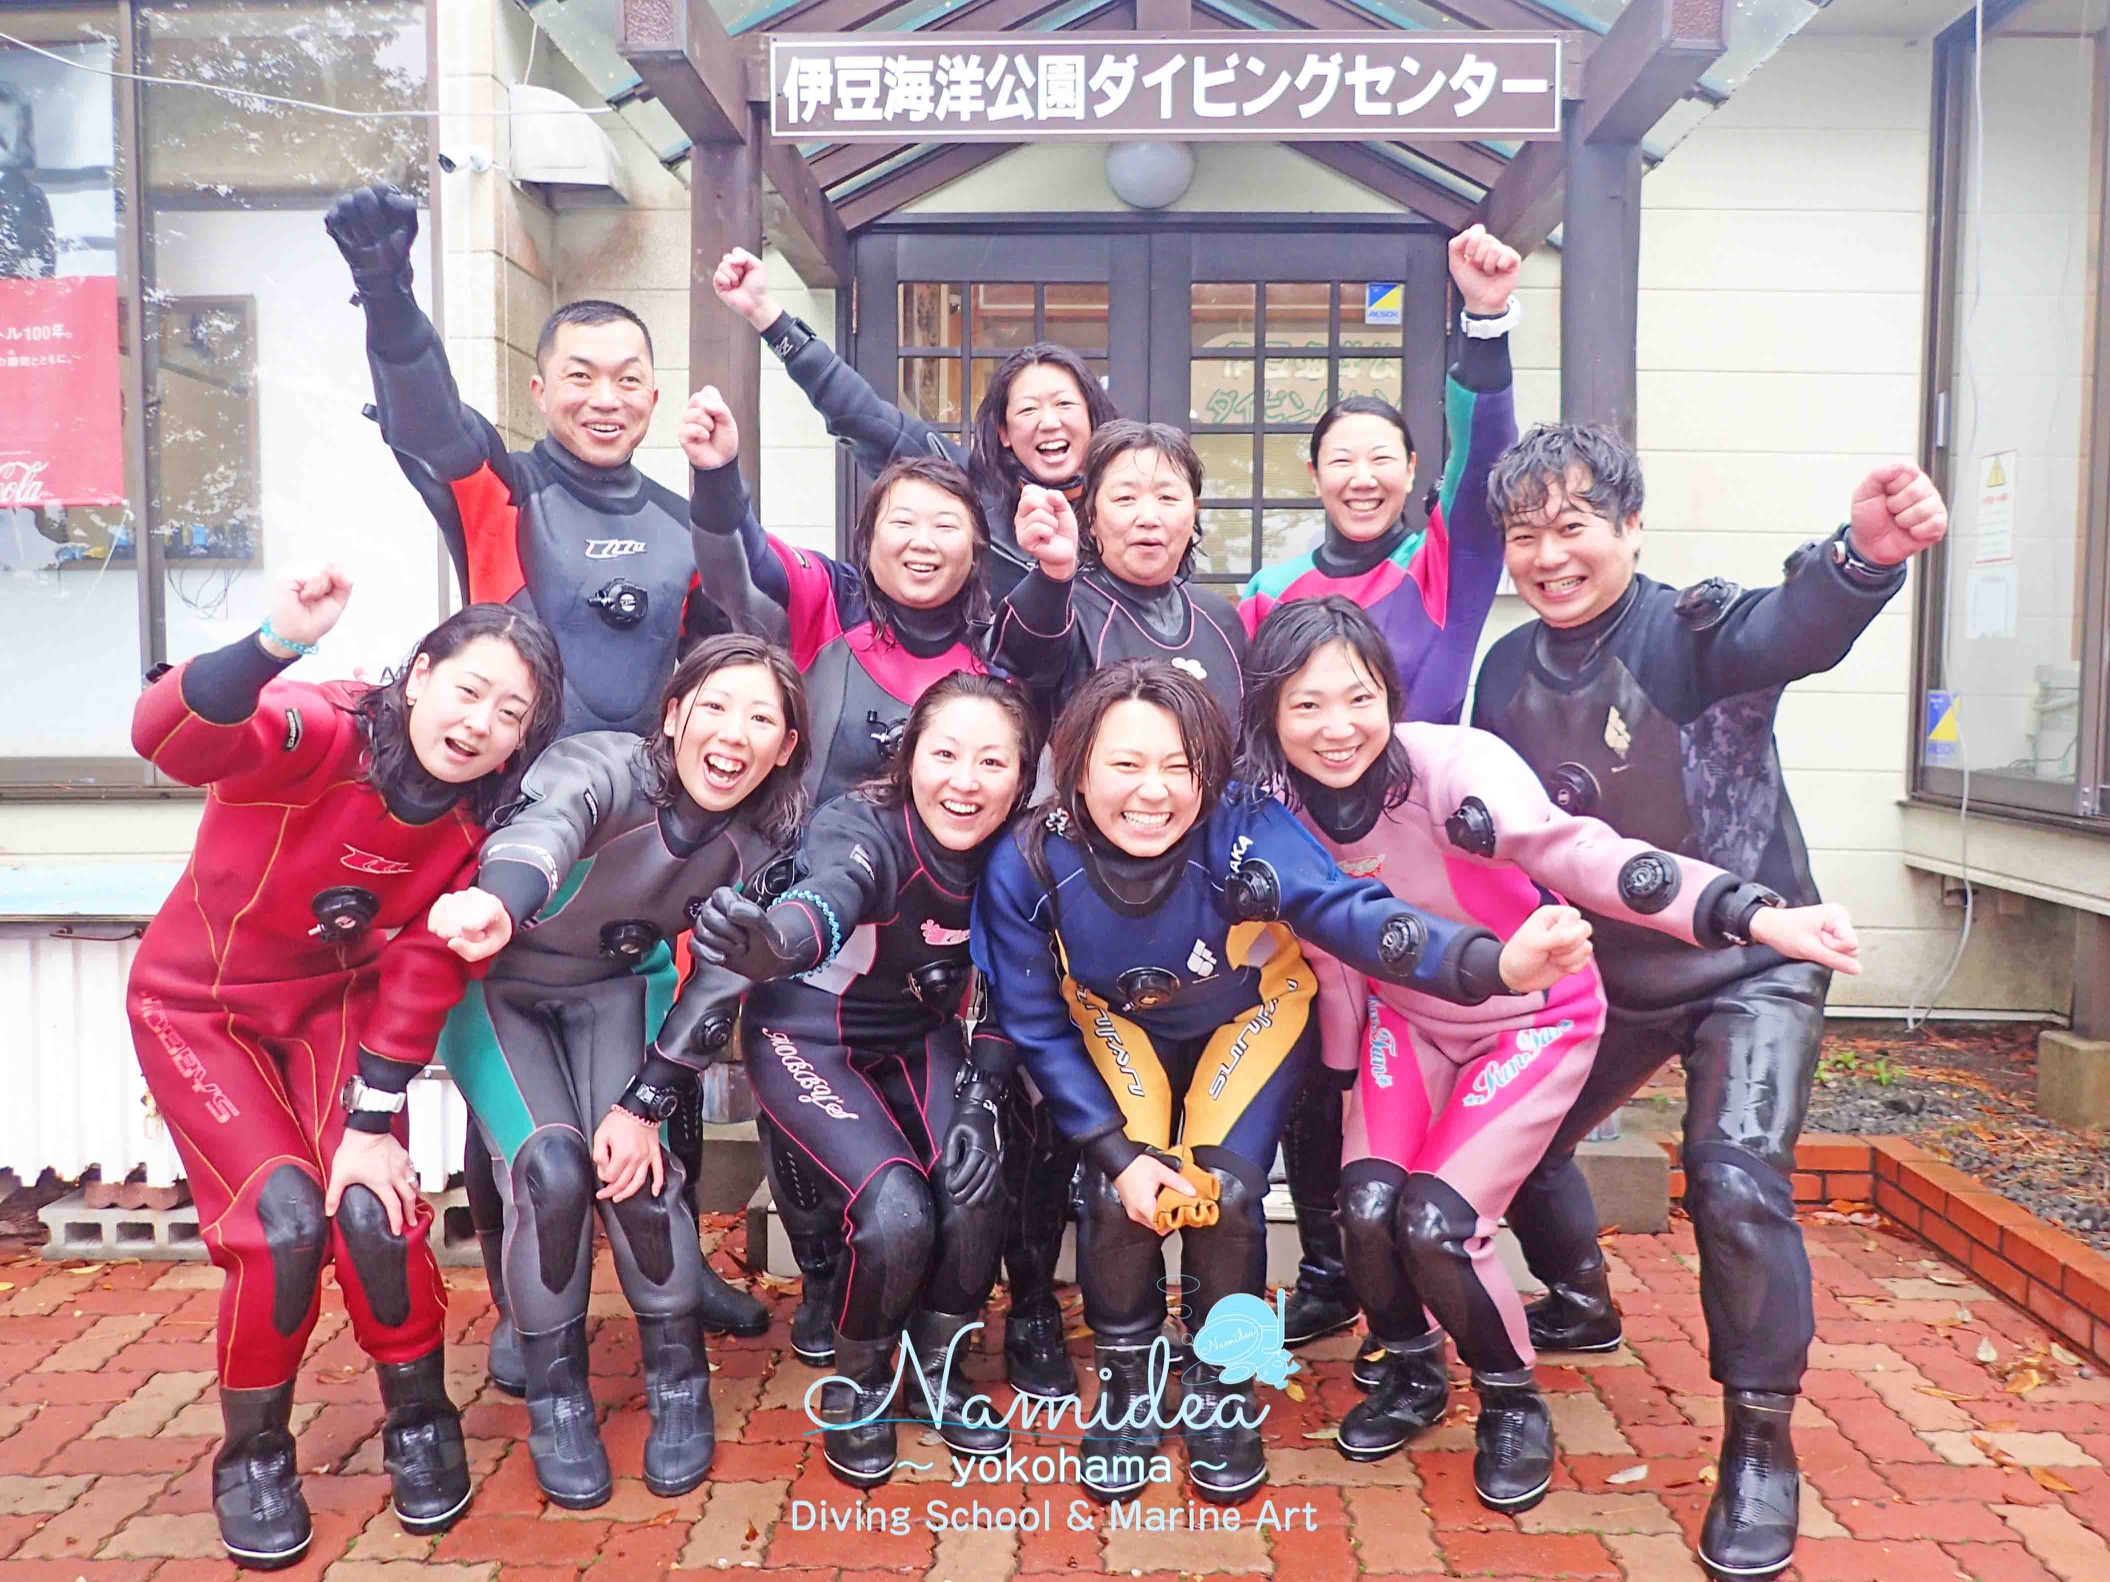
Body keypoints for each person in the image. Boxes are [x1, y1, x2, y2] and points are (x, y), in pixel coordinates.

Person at [1237, 596, 1861, 1511]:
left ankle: (1509, 1397)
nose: (1338, 729)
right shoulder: (1276, 807)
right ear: (1269, 715)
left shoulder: (1454, 772)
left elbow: (1590, 856)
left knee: (1437, 1222)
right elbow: (1329, 956)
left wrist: (1751, 912)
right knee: (1365, 1207)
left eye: (1358, 697)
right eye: (1306, 706)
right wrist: (1334, 1074)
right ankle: (1411, 1368)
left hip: (1530, 1015)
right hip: (1406, 1024)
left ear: (1391, 695)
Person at [1470, 429, 1948, 1579]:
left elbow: (1790, 624)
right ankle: (1580, 1299)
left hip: (1754, 957)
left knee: (1731, 1172)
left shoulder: (1689, 631)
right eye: (1525, 534)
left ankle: (1758, 1440)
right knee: (1518, 1131)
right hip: (1612, 971)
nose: (1549, 554)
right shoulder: (1502, 673)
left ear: (1631, 528)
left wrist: (1861, 561)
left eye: (1574, 523)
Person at [323, 183, 766, 1392]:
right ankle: (534, 1302)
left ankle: (669, 1258)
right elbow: (423, 414)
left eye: (628, 375)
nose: (605, 396)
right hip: (510, 838)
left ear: (655, 392)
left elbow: (747, 650)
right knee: (511, 1091)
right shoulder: (504, 490)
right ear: (541, 386)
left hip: (644, 851)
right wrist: (385, 289)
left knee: (649, 1061)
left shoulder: (683, 522)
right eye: (581, 374)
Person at [970, 660, 1569, 1506]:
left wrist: (1489, 962)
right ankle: (1132, 1385)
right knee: (1117, 1194)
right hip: (1120, 1020)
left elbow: (1351, 914)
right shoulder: (1033, 859)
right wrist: (1113, 1151)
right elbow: (1033, 1021)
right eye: (1126, 765)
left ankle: (1221, 1386)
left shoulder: (1243, 830)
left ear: (1209, 775)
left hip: (1248, 1012)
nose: (1154, 793)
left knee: (1223, 1194)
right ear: (1075, 768)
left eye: (1180, 767)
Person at [126, 566, 562, 1570]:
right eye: (467, 689)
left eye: (509, 713)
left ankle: (419, 1415)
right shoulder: (322, 731)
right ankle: (253, 1453)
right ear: (418, 675)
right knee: (281, 1223)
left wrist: (372, 1118)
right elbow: (172, 737)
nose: (478, 722)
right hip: (202, 1008)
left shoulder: (473, 823)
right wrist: (274, 639)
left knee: (373, 1206)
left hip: (334, 1006)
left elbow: (420, 965)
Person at [423, 635, 809, 1508]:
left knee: (636, 1173)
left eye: (761, 718)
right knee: (551, 1171)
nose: (733, 733)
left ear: (786, 746)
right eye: (713, 706)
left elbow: (720, 983)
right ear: (673, 716)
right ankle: (558, 1403)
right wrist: (498, 900)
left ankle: (679, 1383)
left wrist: (643, 1104)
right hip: (500, 983)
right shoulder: (599, 767)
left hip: (617, 989)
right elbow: (548, 828)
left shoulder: (767, 841)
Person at [1237, 223, 1524, 1351]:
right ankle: (1325, 1263)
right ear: (1313, 476)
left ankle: (1530, 1269)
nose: (1361, 475)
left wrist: (1483, 324)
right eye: (1339, 458)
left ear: (1411, 472)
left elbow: (1487, 440)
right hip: (1312, 859)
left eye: (1381, 457)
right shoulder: (1270, 588)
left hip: (1430, 853)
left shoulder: (1443, 563)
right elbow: (1258, 728)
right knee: (1319, 1064)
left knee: (1456, 1031)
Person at [685, 673, 1042, 1487]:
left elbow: (1014, 986)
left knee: (976, 1184)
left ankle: (939, 1368)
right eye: (945, 754)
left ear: (1021, 777)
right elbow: (830, 896)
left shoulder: (1021, 853)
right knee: (896, 1213)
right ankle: (864, 1381)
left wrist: (983, 1099)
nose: (965, 781)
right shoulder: (863, 826)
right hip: (808, 1035)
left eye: (992, 762)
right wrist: (770, 943)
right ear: (911, 757)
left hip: (918, 1036)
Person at [711, 246, 1117, 594]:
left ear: (1092, 417)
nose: (1048, 422)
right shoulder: (963, 488)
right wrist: (766, 314)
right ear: (1004, 433)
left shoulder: (1128, 502)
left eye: (1064, 405)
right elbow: (861, 416)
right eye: (1028, 409)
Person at [999, 421, 1248, 731]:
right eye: (1125, 499)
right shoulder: (1066, 607)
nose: (1148, 518)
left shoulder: (1221, 619)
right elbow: (1022, 657)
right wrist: (1053, 573)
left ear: (1194, 511)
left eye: (1167, 498)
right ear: (1091, 517)